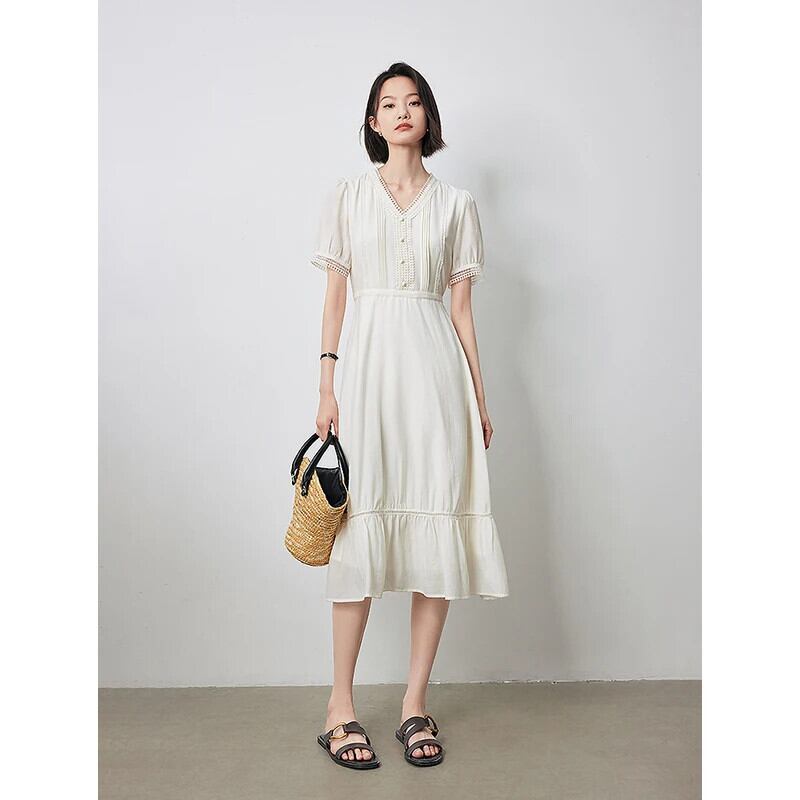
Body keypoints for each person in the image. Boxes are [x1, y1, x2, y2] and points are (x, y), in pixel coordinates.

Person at [312, 62, 510, 770]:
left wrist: (478, 398)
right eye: (388, 103)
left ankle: (414, 703)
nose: (402, 111)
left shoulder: (456, 205)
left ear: (428, 117)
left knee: (436, 539)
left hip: (437, 381)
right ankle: (339, 707)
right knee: (359, 539)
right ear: (373, 122)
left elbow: (462, 312)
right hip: (368, 379)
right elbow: (335, 300)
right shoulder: (348, 197)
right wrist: (327, 386)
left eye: (414, 101)